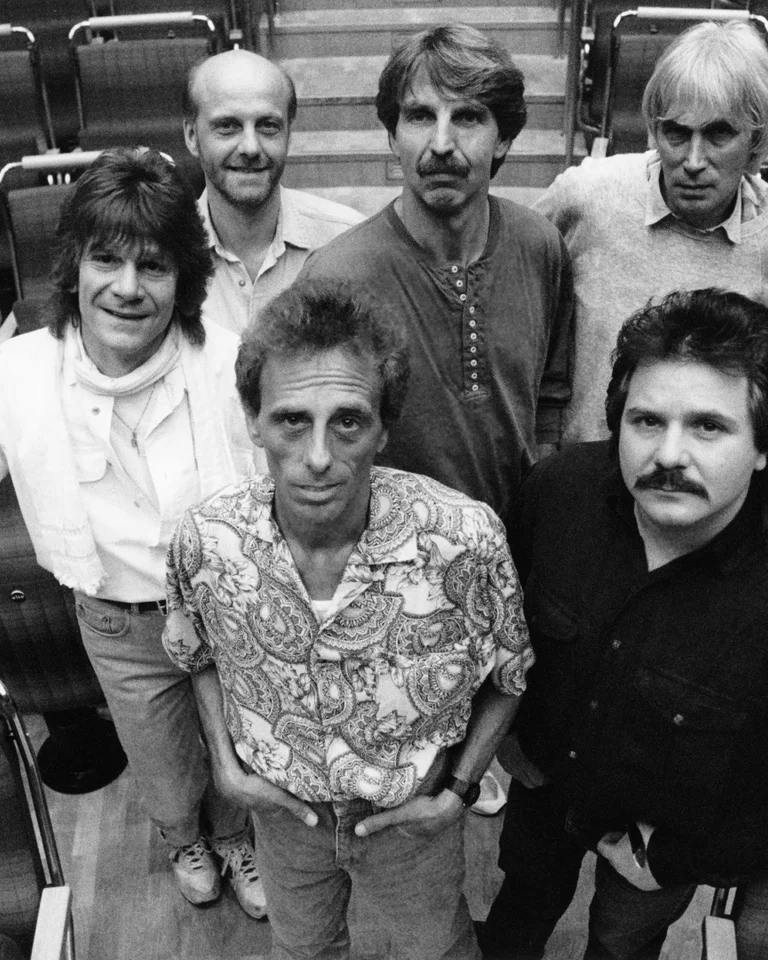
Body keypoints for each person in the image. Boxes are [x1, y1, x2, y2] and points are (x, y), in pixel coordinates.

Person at [163, 279, 534, 960]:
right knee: (304, 949)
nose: (318, 457)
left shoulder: (464, 538)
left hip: (411, 821)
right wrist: (226, 767)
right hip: (283, 817)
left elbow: (509, 675)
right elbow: (197, 655)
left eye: (349, 421)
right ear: (254, 421)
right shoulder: (205, 540)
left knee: (436, 951)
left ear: (384, 427)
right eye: (291, 420)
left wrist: (456, 792)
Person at [0, 149, 267, 918]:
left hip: (228, 610)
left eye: (152, 266)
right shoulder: (20, 374)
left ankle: (237, 836)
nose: (126, 287)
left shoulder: (230, 363)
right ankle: (184, 838)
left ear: (183, 278)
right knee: (160, 759)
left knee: (239, 748)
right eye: (105, 259)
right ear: (72, 268)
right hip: (118, 620)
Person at [479, 288, 768, 960]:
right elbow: (503, 625)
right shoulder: (558, 493)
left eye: (708, 426)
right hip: (544, 785)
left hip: (662, 837)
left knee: (621, 941)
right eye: (645, 422)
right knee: (522, 903)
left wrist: (678, 853)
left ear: (762, 448)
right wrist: (508, 737)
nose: (669, 454)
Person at [299, 24, 573, 527]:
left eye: (468, 117)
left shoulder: (540, 245)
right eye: (421, 116)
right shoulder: (338, 275)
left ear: (505, 139)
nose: (442, 143)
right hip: (388, 569)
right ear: (392, 134)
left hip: (518, 553)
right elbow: (314, 445)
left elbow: (551, 398)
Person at [534, 19, 768, 443]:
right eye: (676, 133)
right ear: (653, 131)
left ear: (755, 141)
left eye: (719, 133)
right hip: (588, 474)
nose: (694, 161)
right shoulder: (589, 196)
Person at [182, 49, 365, 336]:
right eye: (228, 126)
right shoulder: (165, 251)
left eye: (268, 126)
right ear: (192, 136)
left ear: (289, 135)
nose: (251, 148)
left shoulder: (349, 243)